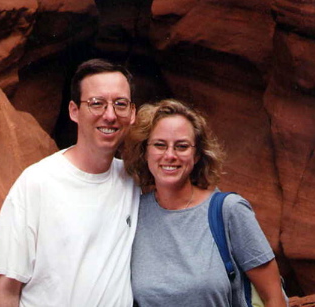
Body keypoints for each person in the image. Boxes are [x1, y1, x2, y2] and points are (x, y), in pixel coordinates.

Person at [0, 58, 140, 307]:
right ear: (74, 111)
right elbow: (7, 290)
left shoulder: (135, 182)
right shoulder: (37, 182)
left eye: (120, 104)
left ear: (132, 114)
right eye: (96, 103)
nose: (110, 115)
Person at [123, 99, 287, 307]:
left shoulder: (228, 210)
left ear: (198, 154)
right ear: (145, 151)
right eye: (159, 145)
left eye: (182, 146)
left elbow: (274, 297)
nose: (170, 155)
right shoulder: (134, 213)